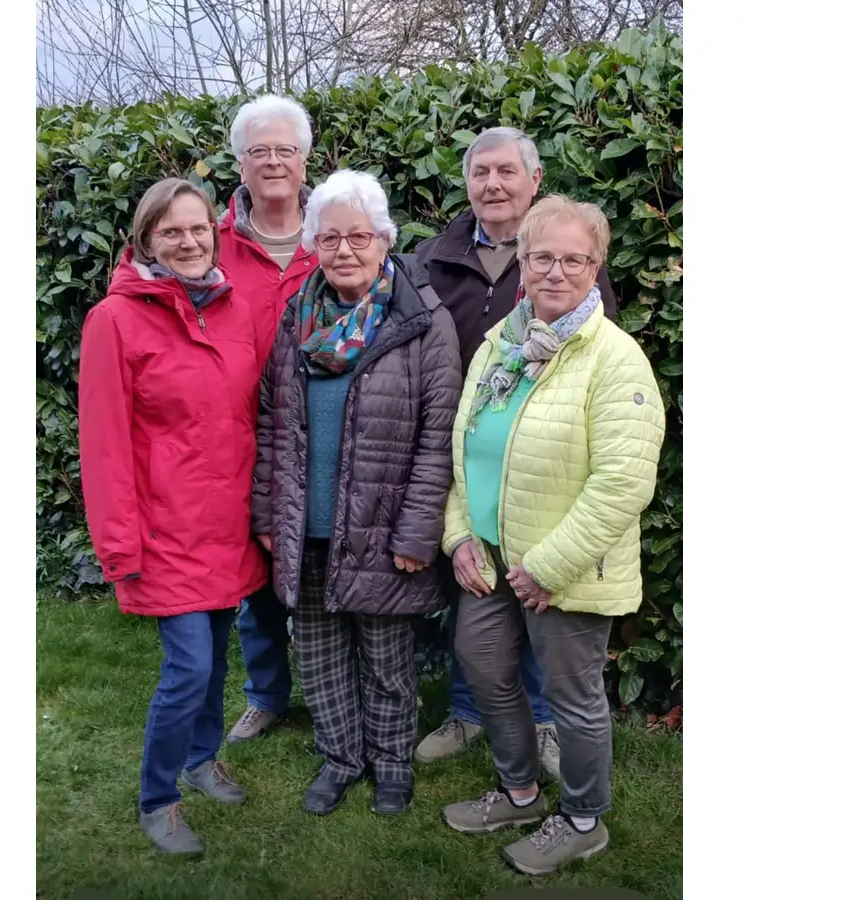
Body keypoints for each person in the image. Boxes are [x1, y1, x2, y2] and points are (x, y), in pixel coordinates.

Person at [438, 195, 665, 876]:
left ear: (595, 268)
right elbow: (463, 447)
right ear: (521, 262)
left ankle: (583, 818)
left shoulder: (613, 359)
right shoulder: (499, 346)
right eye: (542, 257)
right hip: (492, 555)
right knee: (483, 665)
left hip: (565, 569)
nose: (556, 271)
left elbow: (623, 484)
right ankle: (519, 790)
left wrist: (549, 566)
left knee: (572, 699)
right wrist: (459, 538)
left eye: (574, 259)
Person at [251, 169, 462, 817]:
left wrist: (417, 531)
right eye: (330, 237)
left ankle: (391, 762)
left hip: (383, 526)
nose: (344, 250)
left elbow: (439, 435)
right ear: (313, 244)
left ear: (384, 240)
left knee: (386, 659)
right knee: (318, 653)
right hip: (305, 527)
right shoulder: (296, 318)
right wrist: (267, 514)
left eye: (358, 236)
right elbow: (269, 422)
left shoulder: (421, 321)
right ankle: (342, 757)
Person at [410, 127, 619, 776]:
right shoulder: (433, 257)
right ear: (467, 182)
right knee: (474, 589)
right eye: (480, 173)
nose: (493, 184)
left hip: (544, 456)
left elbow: (596, 344)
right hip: (466, 445)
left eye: (507, 171)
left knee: (538, 591)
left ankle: (547, 722)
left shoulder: (566, 253)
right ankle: (469, 714)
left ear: (534, 179)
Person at [78, 178, 268, 856]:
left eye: (198, 229)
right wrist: (121, 547)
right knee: (187, 668)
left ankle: (201, 757)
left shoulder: (232, 308)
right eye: (171, 232)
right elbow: (102, 444)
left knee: (216, 660)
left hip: (226, 527)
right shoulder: (115, 321)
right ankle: (159, 796)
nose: (187, 242)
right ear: (145, 240)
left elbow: (247, 420)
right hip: (164, 533)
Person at [216, 94, 322, 744]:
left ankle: (336, 693)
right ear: (241, 162)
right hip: (239, 437)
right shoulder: (211, 242)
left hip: (325, 433)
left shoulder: (337, 232)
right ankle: (266, 695)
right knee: (253, 576)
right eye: (260, 151)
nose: (274, 161)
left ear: (306, 159)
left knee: (325, 571)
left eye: (286, 149)